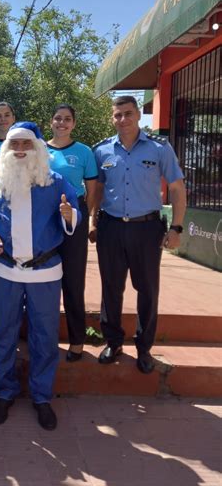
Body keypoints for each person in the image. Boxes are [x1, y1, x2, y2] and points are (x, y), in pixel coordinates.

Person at [0, 122, 80, 431]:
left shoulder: (55, 181)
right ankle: (5, 392)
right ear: (6, 148)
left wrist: (69, 216)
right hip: (4, 270)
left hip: (45, 271)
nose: (20, 150)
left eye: (26, 145)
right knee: (4, 332)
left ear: (37, 148)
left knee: (44, 336)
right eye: (15, 145)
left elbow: (73, 212)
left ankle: (42, 396)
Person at [90, 95, 186, 374]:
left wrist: (177, 228)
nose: (123, 119)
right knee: (111, 288)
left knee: (147, 289)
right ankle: (113, 341)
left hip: (147, 229)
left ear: (138, 116)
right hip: (111, 227)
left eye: (128, 113)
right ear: (112, 118)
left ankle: (144, 348)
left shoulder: (159, 148)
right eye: (118, 115)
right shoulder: (102, 151)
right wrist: (92, 223)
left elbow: (177, 189)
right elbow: (96, 190)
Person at [47, 104, 98, 362]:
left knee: (73, 280)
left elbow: (92, 191)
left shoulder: (84, 152)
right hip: (44, 218)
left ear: (74, 123)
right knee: (45, 280)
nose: (62, 123)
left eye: (67, 119)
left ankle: (77, 339)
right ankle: (45, 338)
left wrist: (88, 219)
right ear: (51, 122)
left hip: (74, 215)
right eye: (58, 118)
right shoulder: (40, 150)